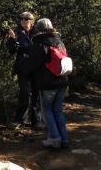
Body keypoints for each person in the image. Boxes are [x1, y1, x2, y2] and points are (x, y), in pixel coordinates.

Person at [30, 18, 69, 149]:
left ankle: (54, 138)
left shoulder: (39, 43)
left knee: (48, 111)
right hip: (62, 81)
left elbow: (34, 63)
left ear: (38, 28)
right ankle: (64, 139)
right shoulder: (60, 41)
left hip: (47, 84)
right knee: (58, 110)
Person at [6, 12, 43, 129]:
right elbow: (11, 50)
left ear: (32, 21)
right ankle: (19, 119)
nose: (23, 21)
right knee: (24, 93)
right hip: (23, 68)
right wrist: (12, 39)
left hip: (36, 68)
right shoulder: (16, 32)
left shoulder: (38, 32)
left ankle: (36, 121)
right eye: (21, 18)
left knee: (36, 94)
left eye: (26, 19)